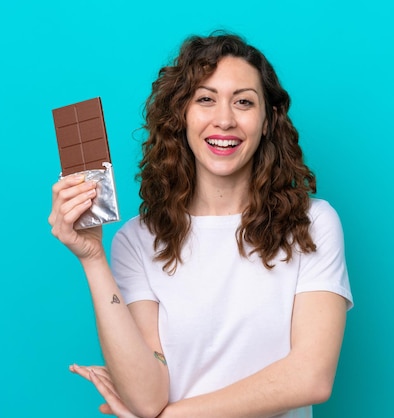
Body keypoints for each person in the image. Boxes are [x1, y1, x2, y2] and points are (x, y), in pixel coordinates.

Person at [49, 32, 353, 418]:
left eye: (243, 102)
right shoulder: (137, 240)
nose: (224, 120)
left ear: (268, 119)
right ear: (181, 116)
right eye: (205, 100)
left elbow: (310, 377)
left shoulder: (312, 223)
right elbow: (146, 398)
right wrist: (92, 258)